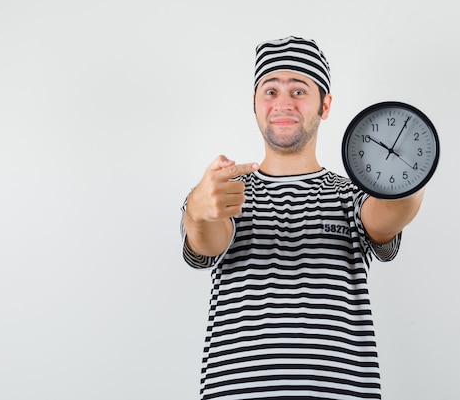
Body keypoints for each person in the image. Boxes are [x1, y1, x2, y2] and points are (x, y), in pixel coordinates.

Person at [180, 36, 425, 400]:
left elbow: (386, 217)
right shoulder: (221, 192)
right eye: (270, 90)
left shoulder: (351, 194)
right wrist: (197, 211)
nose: (282, 103)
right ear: (254, 103)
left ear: (325, 105)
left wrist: (408, 174)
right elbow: (206, 243)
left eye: (298, 91)